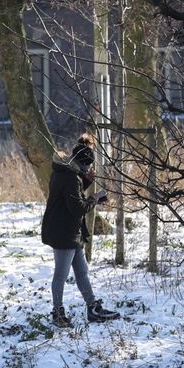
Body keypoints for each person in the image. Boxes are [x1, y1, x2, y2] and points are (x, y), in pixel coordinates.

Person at [41, 134, 120, 327]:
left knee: (82, 271)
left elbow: (71, 196)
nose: (87, 170)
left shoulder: (65, 171)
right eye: (86, 168)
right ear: (81, 164)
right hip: (63, 232)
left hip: (70, 230)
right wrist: (96, 198)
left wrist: (85, 182)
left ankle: (93, 307)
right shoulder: (69, 177)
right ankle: (58, 313)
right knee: (61, 275)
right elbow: (77, 207)